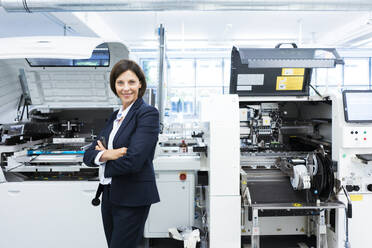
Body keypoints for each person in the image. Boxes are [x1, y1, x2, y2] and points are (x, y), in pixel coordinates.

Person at [83, 59, 160, 248]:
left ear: (140, 84)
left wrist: (102, 158)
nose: (126, 88)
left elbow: (133, 160)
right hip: (109, 195)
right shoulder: (115, 117)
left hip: (133, 196)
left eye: (131, 82)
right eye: (120, 83)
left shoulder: (147, 114)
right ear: (114, 86)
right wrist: (108, 154)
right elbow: (88, 156)